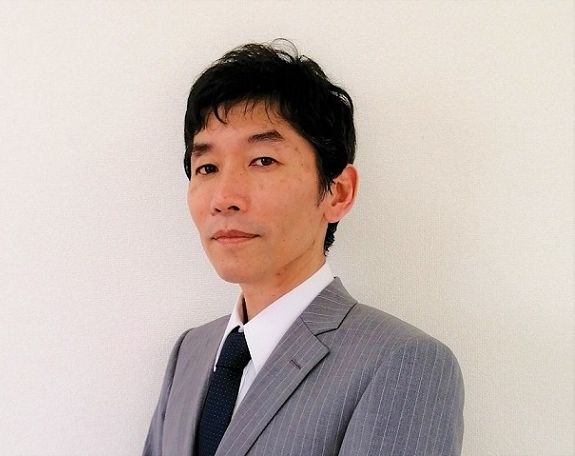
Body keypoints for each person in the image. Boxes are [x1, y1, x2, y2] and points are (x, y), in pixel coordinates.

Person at [143, 40, 464, 456]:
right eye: (207, 167)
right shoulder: (191, 352)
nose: (224, 198)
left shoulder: (402, 363)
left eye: (263, 160)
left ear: (338, 192)